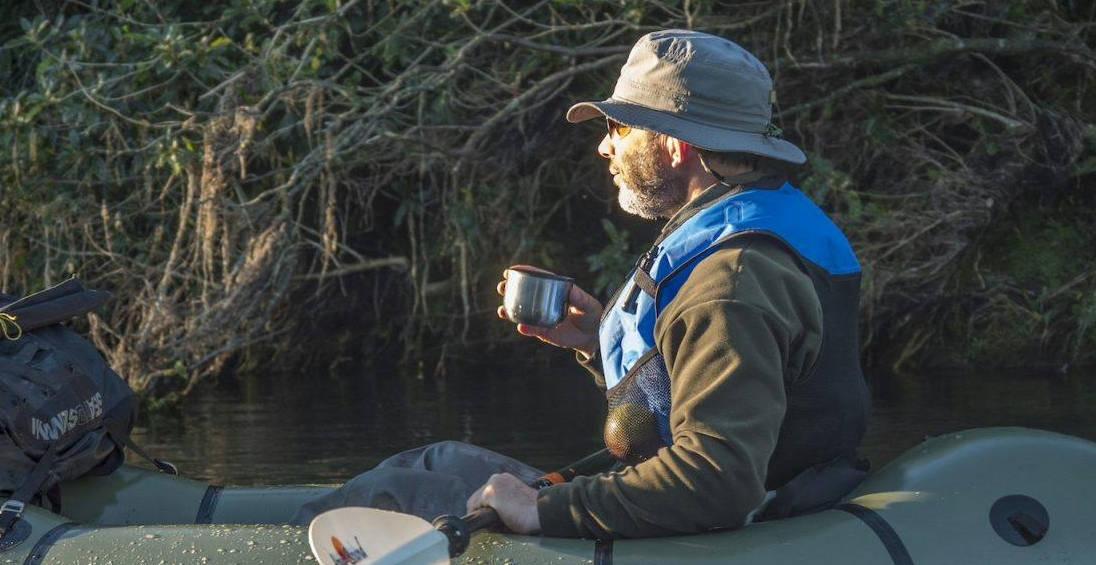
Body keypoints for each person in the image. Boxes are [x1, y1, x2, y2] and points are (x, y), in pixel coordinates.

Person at [292, 28, 868, 538]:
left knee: (383, 500)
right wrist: (597, 341)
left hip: (727, 542)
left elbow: (717, 481)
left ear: (675, 144)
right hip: (726, 510)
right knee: (432, 460)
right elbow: (691, 394)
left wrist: (542, 512)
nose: (604, 146)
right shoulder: (754, 231)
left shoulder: (730, 280)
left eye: (619, 127)